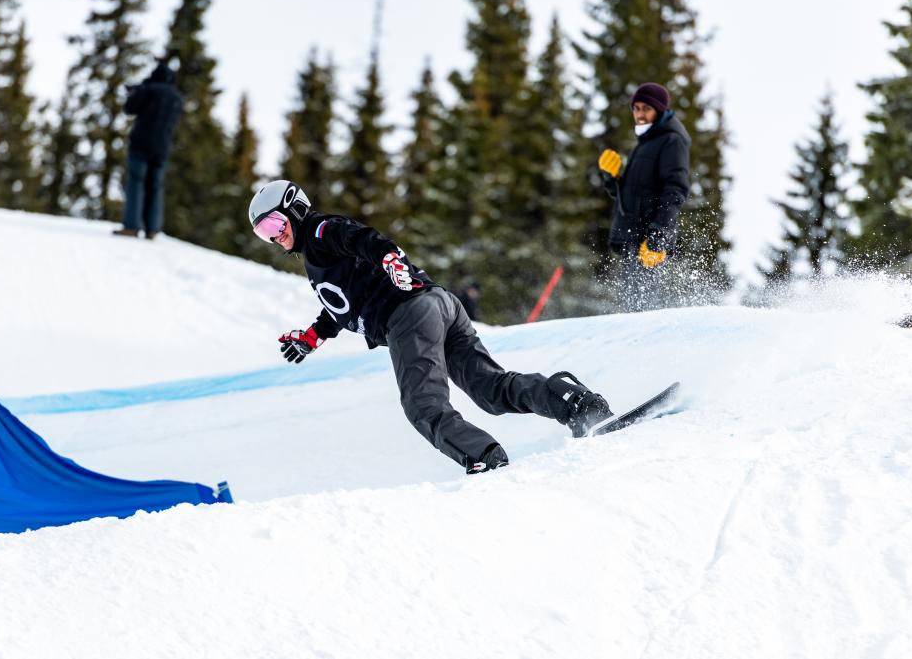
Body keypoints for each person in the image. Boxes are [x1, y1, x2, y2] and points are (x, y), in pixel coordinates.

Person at [248, 179, 614, 475]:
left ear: (296, 209)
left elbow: (361, 239)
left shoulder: (320, 231)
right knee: (490, 389)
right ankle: (575, 403)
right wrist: (313, 336)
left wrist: (390, 257)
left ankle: (486, 461)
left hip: (408, 314)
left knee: (423, 407)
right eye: (264, 233)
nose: (275, 235)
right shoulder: (316, 259)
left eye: (275, 223)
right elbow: (343, 307)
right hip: (439, 304)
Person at [598, 82, 691, 311]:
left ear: (659, 110)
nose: (640, 114)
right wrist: (613, 180)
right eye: (636, 108)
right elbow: (636, 194)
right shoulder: (647, 142)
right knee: (631, 307)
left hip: (649, 240)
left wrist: (658, 236)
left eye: (646, 109)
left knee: (641, 311)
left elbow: (676, 189)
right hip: (634, 238)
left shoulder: (671, 140)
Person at [114, 60, 182, 239]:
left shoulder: (150, 90)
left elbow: (129, 108)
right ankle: (152, 229)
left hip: (141, 144)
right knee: (155, 187)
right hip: (162, 148)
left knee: (136, 183)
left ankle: (131, 226)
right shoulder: (177, 98)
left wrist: (135, 92)